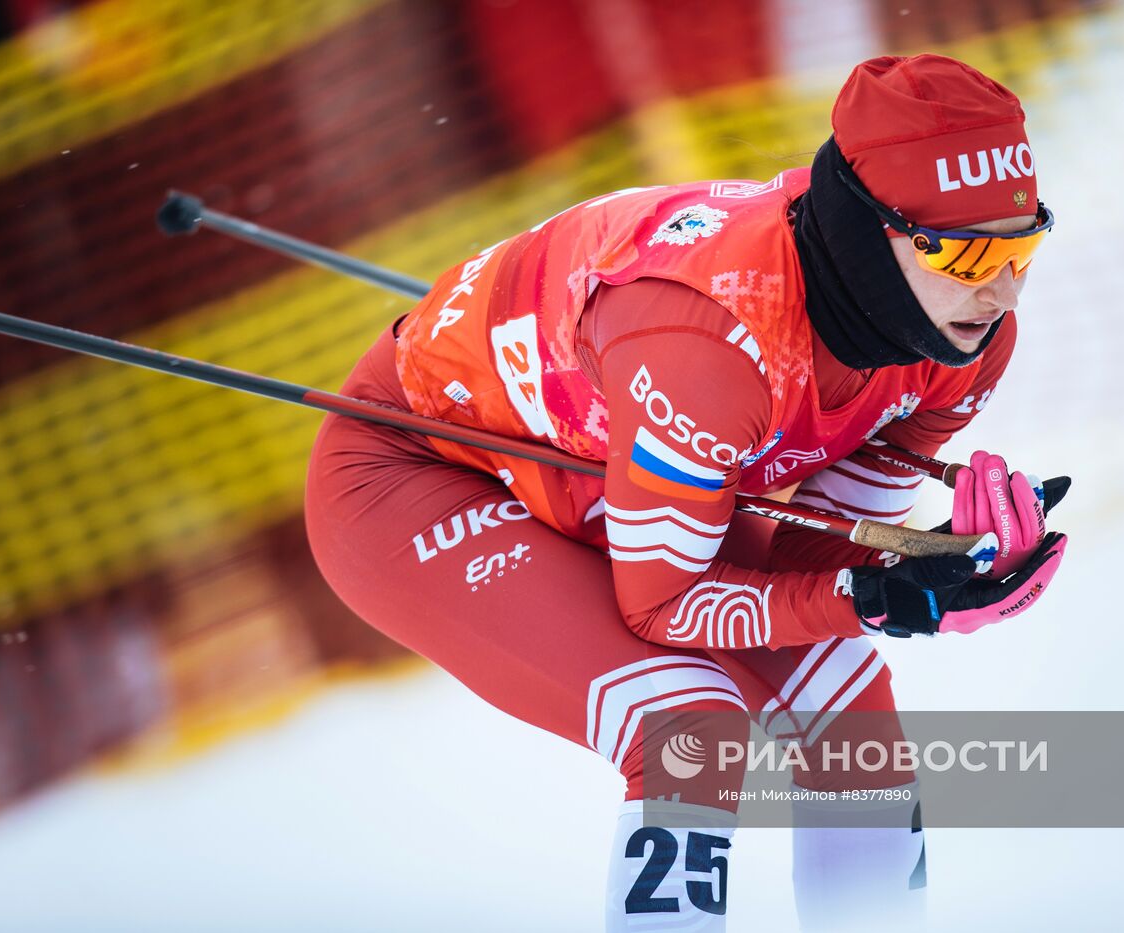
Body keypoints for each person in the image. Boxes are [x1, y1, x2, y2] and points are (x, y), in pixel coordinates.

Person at [304, 54, 1069, 932]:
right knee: (689, 725)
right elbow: (665, 608)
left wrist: (938, 563)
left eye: (1022, 246)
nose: (1004, 289)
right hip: (422, 471)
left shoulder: (959, 334)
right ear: (871, 234)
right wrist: (873, 595)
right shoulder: (710, 349)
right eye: (970, 254)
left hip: (610, 452)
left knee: (847, 706)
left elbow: (807, 559)